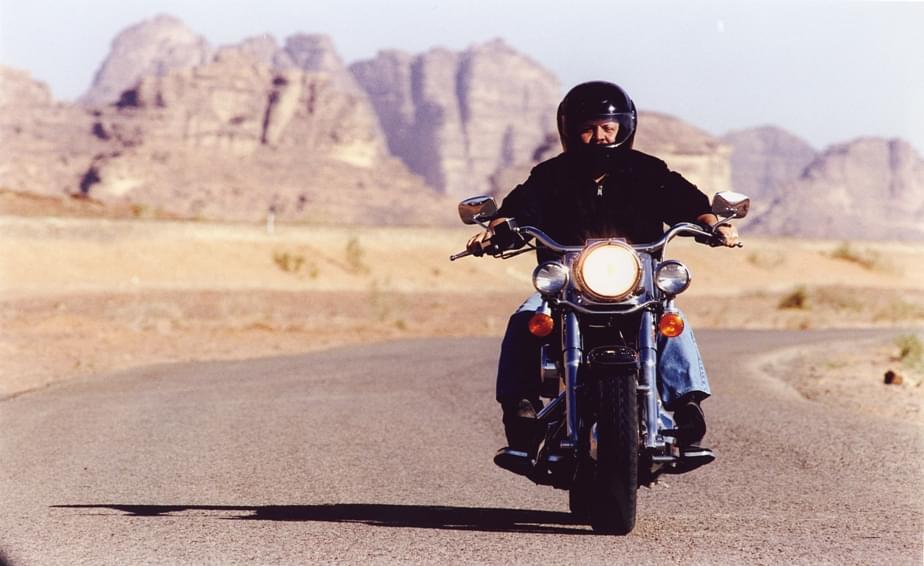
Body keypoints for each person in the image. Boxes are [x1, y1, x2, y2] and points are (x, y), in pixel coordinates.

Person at [466, 81, 740, 457]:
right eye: (588, 128)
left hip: (637, 283)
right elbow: (516, 211)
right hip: (567, 286)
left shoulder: (648, 171)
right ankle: (520, 410)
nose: (600, 137)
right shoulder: (550, 176)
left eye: (608, 127)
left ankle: (687, 405)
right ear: (570, 130)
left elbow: (689, 202)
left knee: (670, 319)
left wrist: (715, 225)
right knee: (525, 320)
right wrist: (494, 232)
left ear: (625, 127)